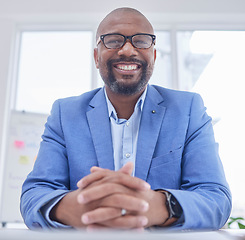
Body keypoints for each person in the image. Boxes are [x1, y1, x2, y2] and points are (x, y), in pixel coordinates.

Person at [20, 7, 231, 230]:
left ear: (154, 55)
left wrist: (159, 206)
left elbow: (215, 198)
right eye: (113, 41)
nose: (127, 50)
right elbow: (34, 193)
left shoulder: (188, 110)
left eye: (141, 41)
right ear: (96, 57)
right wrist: (74, 207)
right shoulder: (65, 113)